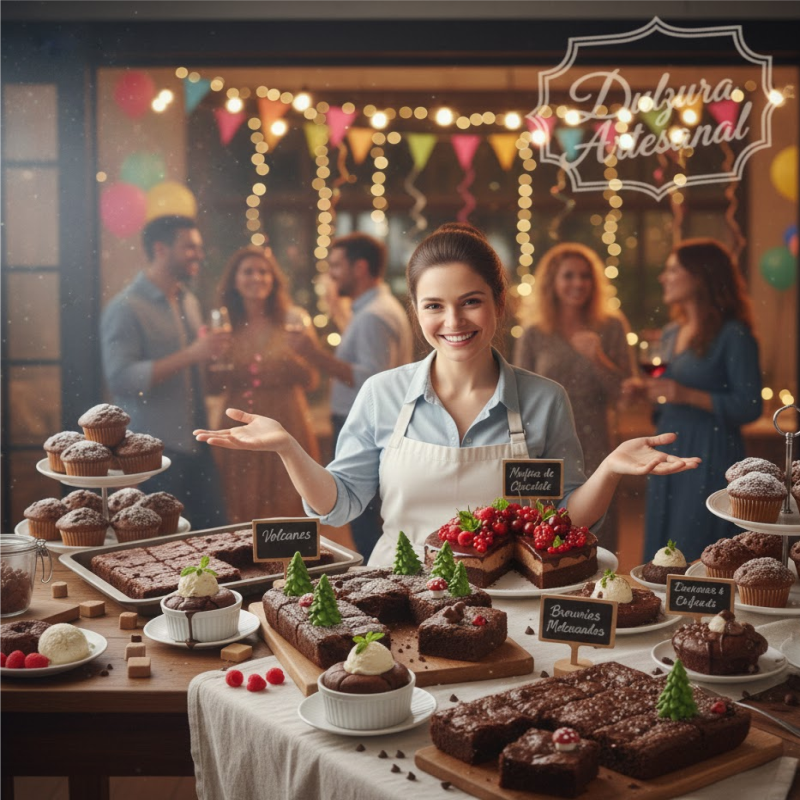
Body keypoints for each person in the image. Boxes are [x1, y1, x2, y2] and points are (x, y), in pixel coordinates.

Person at [194, 223, 700, 566]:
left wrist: (609, 469)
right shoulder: (381, 394)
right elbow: (340, 506)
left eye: (471, 302)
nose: (453, 322)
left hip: (510, 600)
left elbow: (563, 518)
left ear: (499, 303)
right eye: (434, 305)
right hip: (398, 595)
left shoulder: (545, 400)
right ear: (416, 310)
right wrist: (289, 447)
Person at [623, 238, 762, 562]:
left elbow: (749, 405)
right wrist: (648, 394)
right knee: (663, 548)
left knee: (696, 546)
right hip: (670, 452)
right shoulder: (671, 332)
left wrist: (685, 394)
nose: (663, 277)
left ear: (699, 276)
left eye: (673, 270)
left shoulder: (734, 334)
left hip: (710, 455)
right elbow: (668, 398)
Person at [286, 232, 413, 561]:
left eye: (337, 266)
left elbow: (371, 378)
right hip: (372, 421)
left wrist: (312, 354)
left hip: (366, 424)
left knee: (363, 517)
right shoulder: (372, 309)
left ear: (360, 267)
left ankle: (381, 579)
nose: (331, 274)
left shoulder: (373, 315)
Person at [101, 215, 228, 528]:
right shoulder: (125, 307)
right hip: (155, 452)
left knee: (208, 535)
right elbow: (120, 378)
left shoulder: (191, 301)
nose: (199, 254)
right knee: (164, 546)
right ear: (160, 249)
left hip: (198, 442)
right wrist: (191, 354)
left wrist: (211, 358)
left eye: (198, 247)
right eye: (189, 247)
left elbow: (192, 368)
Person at [513, 242, 635, 552]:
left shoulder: (611, 326)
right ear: (552, 282)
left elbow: (625, 396)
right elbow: (517, 397)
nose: (578, 283)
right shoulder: (534, 333)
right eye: (568, 276)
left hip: (594, 439)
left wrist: (597, 358)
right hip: (542, 441)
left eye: (585, 276)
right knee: (541, 525)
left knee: (595, 524)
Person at [212, 245, 320, 522]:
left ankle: (289, 559)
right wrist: (214, 357)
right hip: (238, 417)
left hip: (286, 415)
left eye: (264, 272)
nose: (256, 278)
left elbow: (312, 380)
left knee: (288, 493)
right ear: (234, 280)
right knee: (239, 495)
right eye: (248, 271)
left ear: (274, 280)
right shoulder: (224, 323)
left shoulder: (294, 319)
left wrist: (297, 354)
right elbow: (212, 383)